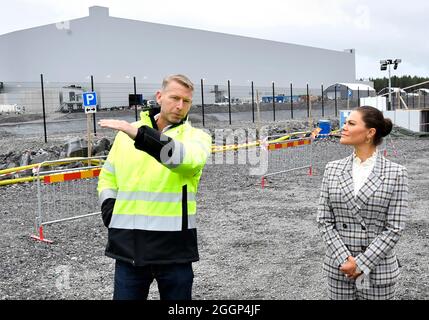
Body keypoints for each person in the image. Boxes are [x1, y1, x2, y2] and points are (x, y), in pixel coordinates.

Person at [97, 74, 212, 300]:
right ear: (159, 96)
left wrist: (140, 135)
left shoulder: (197, 138)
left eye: (186, 101)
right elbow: (108, 176)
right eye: (174, 98)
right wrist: (110, 211)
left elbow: (186, 161)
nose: (180, 106)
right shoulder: (126, 134)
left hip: (174, 250)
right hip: (129, 248)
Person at [316, 106, 408, 300]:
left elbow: (394, 228)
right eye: (346, 122)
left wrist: (361, 264)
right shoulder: (332, 169)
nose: (344, 127)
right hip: (340, 269)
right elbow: (324, 220)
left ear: (370, 133)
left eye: (351, 123)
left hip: (378, 272)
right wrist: (345, 259)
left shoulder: (396, 173)